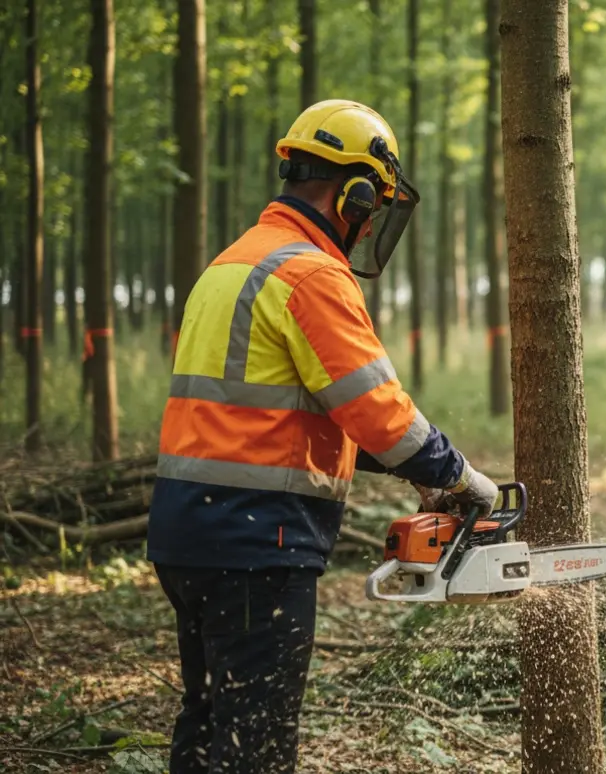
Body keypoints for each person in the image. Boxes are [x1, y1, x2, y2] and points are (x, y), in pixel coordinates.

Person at [145, 99, 498, 774]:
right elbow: (377, 411)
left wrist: (412, 473)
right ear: (355, 193)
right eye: (371, 206)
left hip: (186, 534)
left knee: (213, 719)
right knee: (258, 742)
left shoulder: (231, 265)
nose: (368, 225)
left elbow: (287, 409)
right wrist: (456, 475)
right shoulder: (309, 272)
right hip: (257, 542)